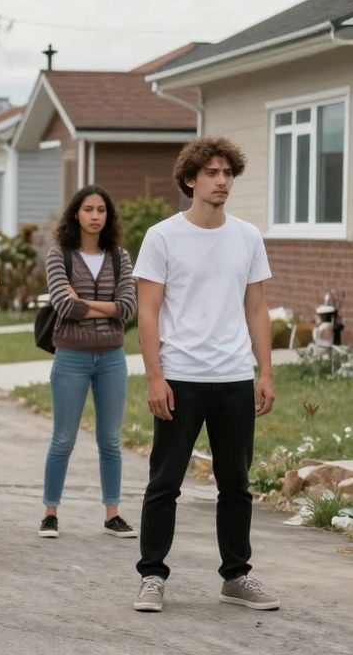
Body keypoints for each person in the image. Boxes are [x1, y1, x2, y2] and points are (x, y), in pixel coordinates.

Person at [132, 137, 279, 613]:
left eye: (227, 173)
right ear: (190, 179)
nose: (221, 181)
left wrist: (265, 371)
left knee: (235, 483)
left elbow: (256, 308)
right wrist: (155, 377)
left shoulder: (248, 236)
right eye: (212, 173)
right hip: (180, 377)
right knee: (165, 483)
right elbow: (148, 312)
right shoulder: (163, 237)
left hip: (234, 377)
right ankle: (152, 576)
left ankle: (236, 576)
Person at [38, 185, 137, 540]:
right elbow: (65, 306)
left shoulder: (120, 257)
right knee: (63, 438)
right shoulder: (59, 256)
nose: (95, 216)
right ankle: (50, 514)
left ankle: (113, 514)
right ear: (76, 214)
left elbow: (128, 308)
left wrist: (88, 303)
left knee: (110, 440)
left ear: (108, 216)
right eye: (88, 209)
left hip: (112, 358)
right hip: (71, 357)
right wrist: (107, 308)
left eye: (101, 210)